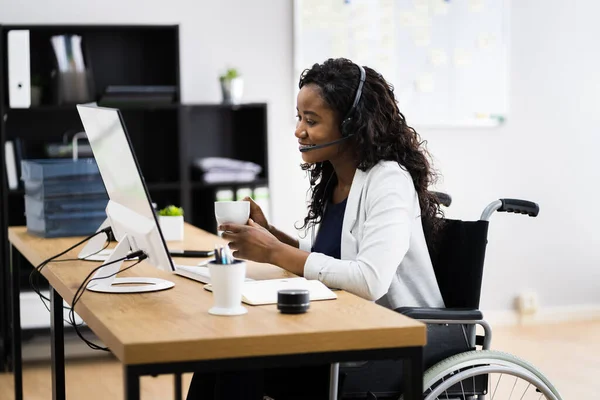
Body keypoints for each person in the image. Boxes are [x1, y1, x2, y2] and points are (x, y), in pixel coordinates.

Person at [186, 58, 445, 400]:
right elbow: (331, 259)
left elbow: (369, 280)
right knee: (220, 352)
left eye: (312, 121)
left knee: (238, 361)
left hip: (394, 344)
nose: (299, 131)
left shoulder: (388, 181)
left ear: (352, 125)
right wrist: (272, 235)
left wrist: (275, 251)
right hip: (342, 329)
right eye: (299, 117)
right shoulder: (337, 179)